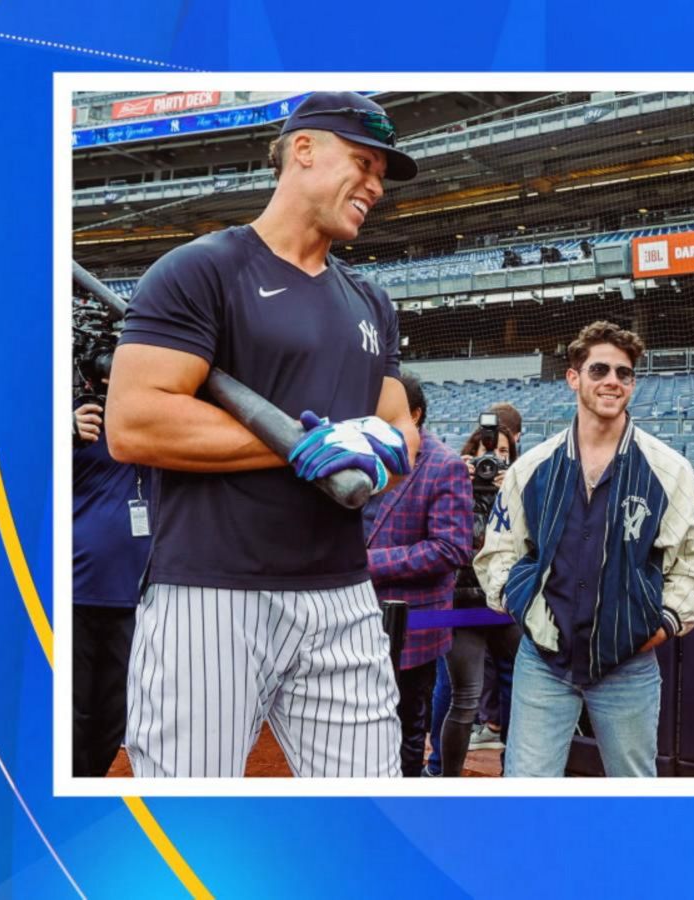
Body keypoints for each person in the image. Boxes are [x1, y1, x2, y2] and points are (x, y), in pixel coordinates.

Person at [105, 91, 421, 777]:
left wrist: (386, 448)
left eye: (380, 175)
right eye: (363, 163)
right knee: (188, 815)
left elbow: (399, 426)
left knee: (373, 807)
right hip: (212, 593)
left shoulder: (370, 300)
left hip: (342, 591)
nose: (374, 186)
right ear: (302, 150)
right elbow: (134, 420)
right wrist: (301, 446)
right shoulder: (202, 269)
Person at [475, 322, 694, 777]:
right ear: (573, 378)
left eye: (624, 374)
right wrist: (523, 605)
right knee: (526, 787)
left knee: (633, 789)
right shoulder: (533, 467)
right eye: (599, 369)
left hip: (628, 663)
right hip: (544, 661)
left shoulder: (668, 469)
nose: (612, 381)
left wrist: (661, 624)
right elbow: (499, 552)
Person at [362, 371, 474, 777]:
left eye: (385, 413)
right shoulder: (358, 458)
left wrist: (368, 563)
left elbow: (452, 548)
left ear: (416, 414)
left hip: (410, 633)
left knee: (405, 730)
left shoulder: (443, 465)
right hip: (351, 622)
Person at [434, 424, 523, 776]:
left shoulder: (520, 488)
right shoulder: (456, 485)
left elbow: (529, 545)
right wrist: (458, 484)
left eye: (503, 454)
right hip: (464, 602)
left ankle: (513, 774)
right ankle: (442, 773)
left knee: (518, 692)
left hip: (506, 604)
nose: (495, 461)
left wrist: (514, 496)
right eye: (489, 453)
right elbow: (452, 540)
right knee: (463, 695)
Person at [71, 399, 152, 777]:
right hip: (74, 592)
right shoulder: (79, 417)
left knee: (115, 712)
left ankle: (88, 780)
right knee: (70, 711)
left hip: (136, 596)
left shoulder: (153, 418)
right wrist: (66, 434)